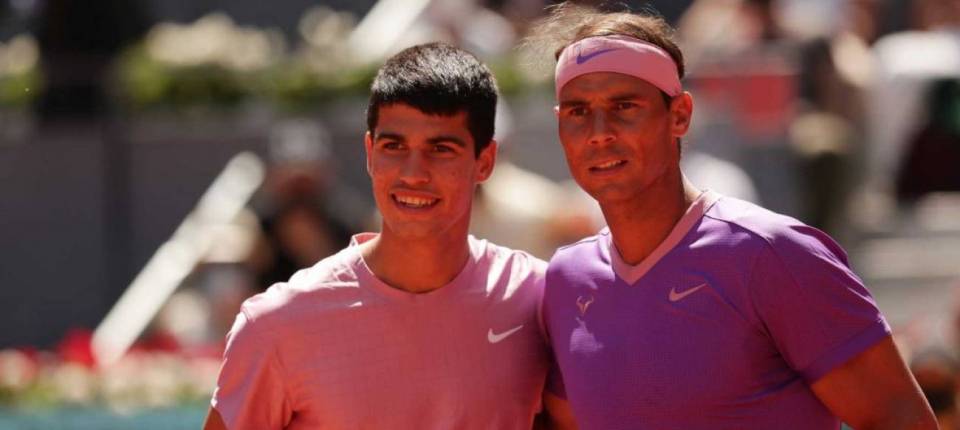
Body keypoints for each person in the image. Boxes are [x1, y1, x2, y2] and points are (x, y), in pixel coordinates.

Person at [530, 4, 937, 429]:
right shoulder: (565, 279)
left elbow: (902, 420)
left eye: (625, 106)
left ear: (680, 115)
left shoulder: (775, 254)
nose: (599, 132)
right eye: (577, 112)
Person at [203, 42, 557, 429]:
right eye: (394, 146)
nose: (413, 173)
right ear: (370, 153)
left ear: (485, 161)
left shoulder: (541, 300)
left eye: (441, 148)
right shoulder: (274, 325)